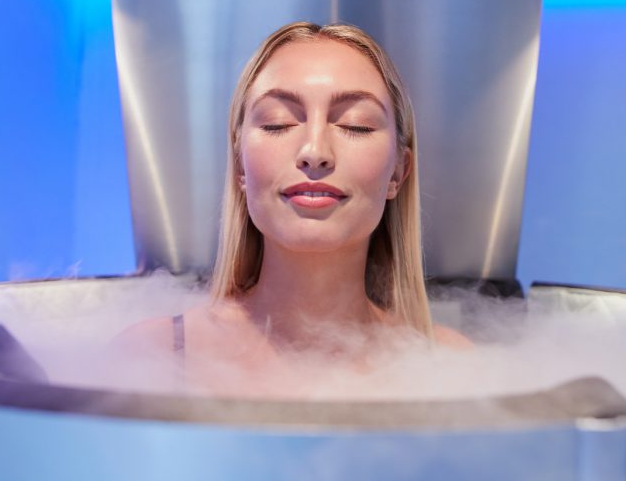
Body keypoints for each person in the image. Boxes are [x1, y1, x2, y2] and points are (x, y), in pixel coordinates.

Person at [109, 22, 472, 398]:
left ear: (398, 172)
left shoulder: (450, 367)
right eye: (277, 123)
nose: (315, 151)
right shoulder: (149, 357)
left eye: (356, 125)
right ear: (240, 167)